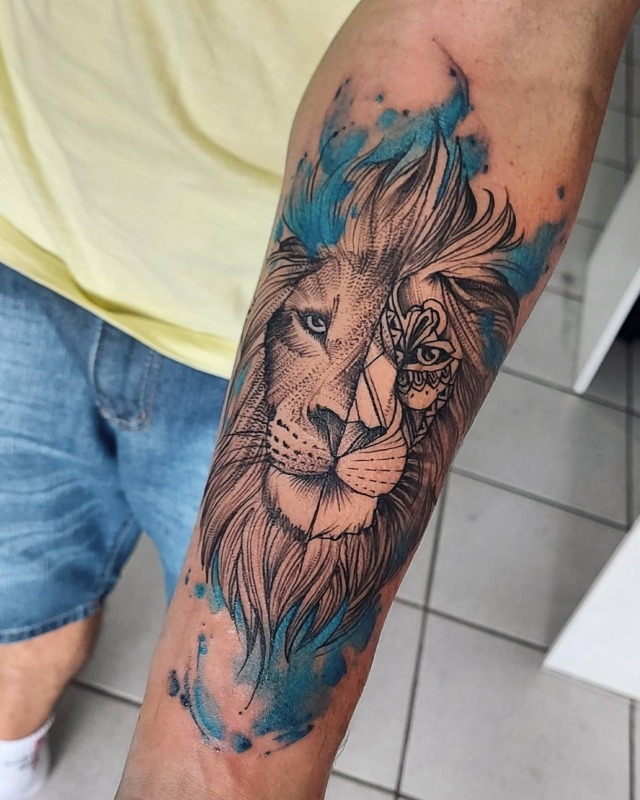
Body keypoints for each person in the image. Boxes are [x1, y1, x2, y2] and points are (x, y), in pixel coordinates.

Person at [0, 1, 637, 799]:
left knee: (236, 674)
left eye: (422, 352)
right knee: (19, 611)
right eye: (317, 326)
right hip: (21, 213)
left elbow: (497, 48)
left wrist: (222, 774)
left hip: (231, 345)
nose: (349, 411)